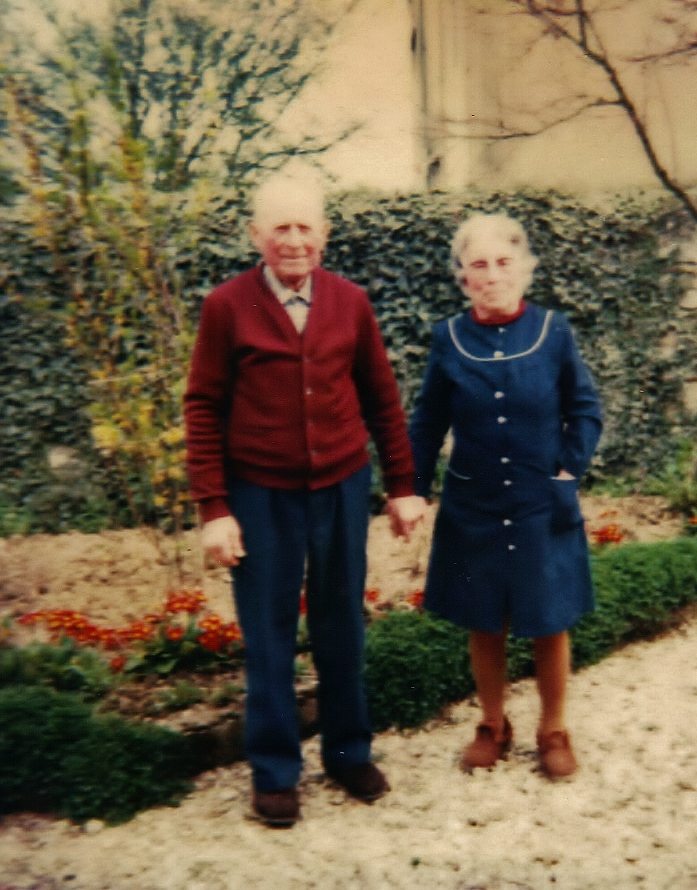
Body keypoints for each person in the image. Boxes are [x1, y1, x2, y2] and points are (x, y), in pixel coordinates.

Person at [184, 171, 427, 826]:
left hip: (341, 488)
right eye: (279, 227)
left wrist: (402, 487)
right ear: (256, 235)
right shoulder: (227, 307)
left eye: (305, 227)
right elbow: (203, 407)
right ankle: (274, 770)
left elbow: (381, 397)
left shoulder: (350, 302)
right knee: (266, 635)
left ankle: (348, 754)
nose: (293, 241)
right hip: (259, 494)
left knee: (341, 623)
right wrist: (214, 508)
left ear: (324, 234)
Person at [409, 213, 602, 779]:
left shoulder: (553, 330)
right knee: (483, 619)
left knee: (548, 620)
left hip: (541, 502)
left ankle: (553, 729)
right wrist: (413, 490)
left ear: (524, 269)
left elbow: (585, 409)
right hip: (476, 505)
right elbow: (426, 423)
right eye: (478, 265)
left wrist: (567, 472)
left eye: (502, 262)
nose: (492, 275)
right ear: (463, 278)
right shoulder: (448, 338)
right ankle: (493, 724)